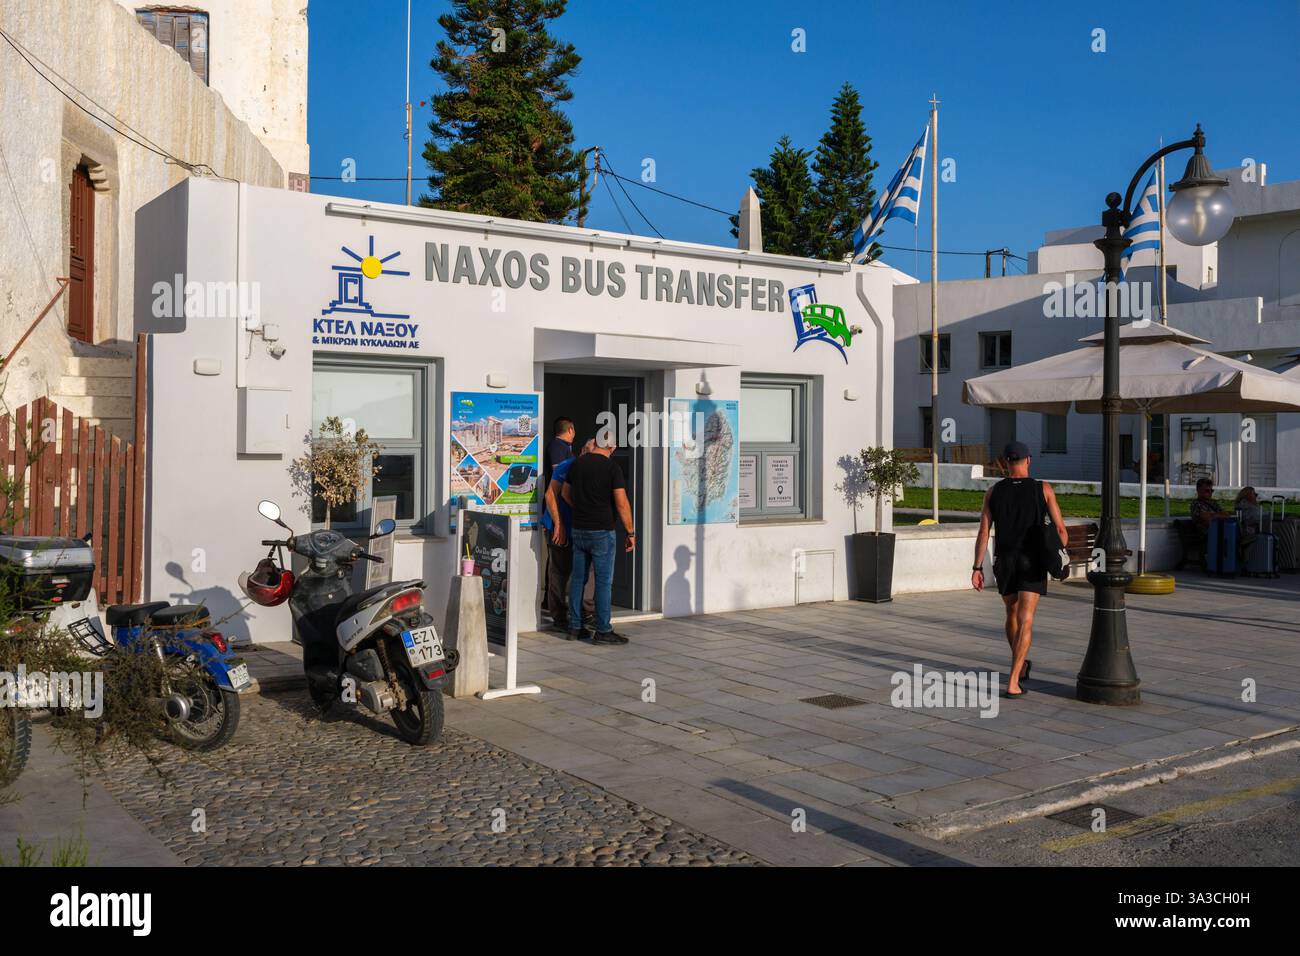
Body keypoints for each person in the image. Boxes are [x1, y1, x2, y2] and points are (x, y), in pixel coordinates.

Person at [971, 441, 1067, 699]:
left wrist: (977, 567)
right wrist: (1060, 553)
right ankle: (1013, 682)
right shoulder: (1043, 489)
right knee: (1026, 619)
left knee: (1011, 613)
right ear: (1028, 460)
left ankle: (1021, 664)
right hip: (1032, 561)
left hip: (1005, 562)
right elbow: (1060, 531)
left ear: (1005, 462)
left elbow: (983, 532)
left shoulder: (993, 492)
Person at [562, 431, 635, 645]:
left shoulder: (578, 464)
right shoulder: (612, 468)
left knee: (578, 579)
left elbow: (565, 493)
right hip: (602, 531)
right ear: (612, 447)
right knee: (603, 582)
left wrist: (581, 509)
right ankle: (603, 630)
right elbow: (621, 503)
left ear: (596, 443)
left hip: (579, 528)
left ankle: (575, 627)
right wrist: (630, 532)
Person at [541, 439, 595, 636]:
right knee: (559, 571)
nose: (590, 456)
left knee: (586, 570)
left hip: (581, 528)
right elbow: (551, 494)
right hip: (560, 526)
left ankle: (585, 612)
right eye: (588, 451)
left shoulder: (594, 468)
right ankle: (559, 617)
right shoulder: (566, 465)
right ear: (582, 450)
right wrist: (558, 524)